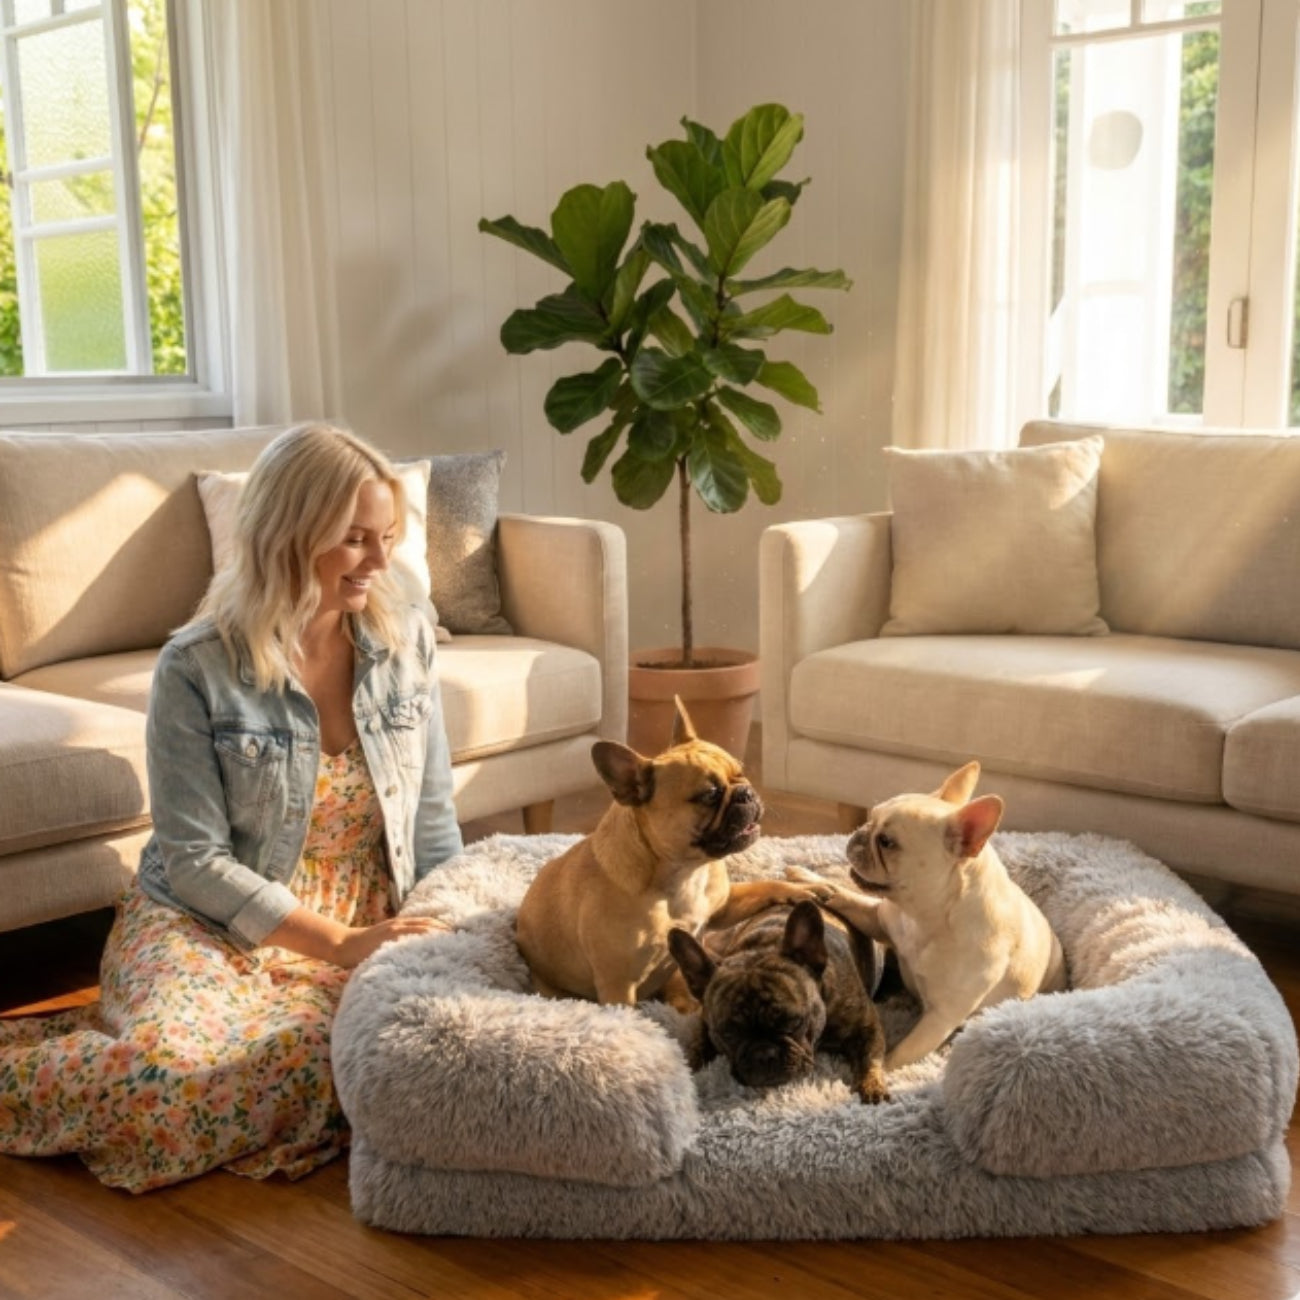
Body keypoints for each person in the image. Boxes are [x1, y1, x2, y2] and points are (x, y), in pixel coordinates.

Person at [0, 423, 463, 1192]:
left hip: (362, 912)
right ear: (290, 536)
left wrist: (450, 939)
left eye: (386, 536)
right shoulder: (195, 665)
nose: (380, 561)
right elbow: (195, 861)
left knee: (358, 1055)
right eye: (355, 540)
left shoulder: (405, 636)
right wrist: (340, 943)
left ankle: (95, 1046)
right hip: (205, 919)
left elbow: (432, 816)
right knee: (171, 1079)